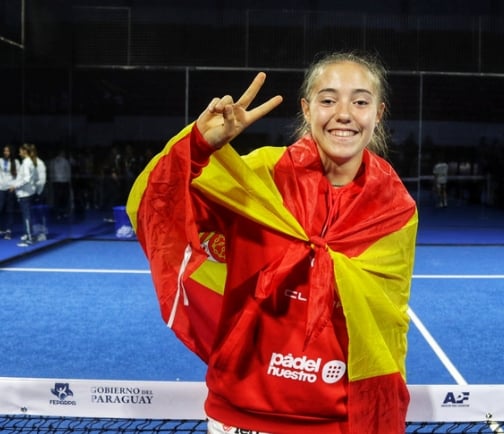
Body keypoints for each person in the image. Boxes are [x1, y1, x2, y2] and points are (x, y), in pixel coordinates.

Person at [127, 51, 418, 434]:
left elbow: (386, 327)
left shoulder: (394, 210)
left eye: (360, 101)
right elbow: (161, 209)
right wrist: (198, 147)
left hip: (338, 422)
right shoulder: (259, 180)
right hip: (240, 416)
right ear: (307, 109)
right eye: (328, 99)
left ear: (378, 113)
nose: (344, 113)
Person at [10, 143, 38, 246]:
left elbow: (26, 179)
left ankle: (29, 239)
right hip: (25, 193)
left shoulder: (26, 163)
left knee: (26, 216)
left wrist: (15, 186)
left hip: (25, 194)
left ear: (24, 151)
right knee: (26, 215)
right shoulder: (27, 162)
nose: (19, 152)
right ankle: (28, 234)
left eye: (20, 150)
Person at [0, 144, 20, 239]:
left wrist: (14, 185)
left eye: (7, 151)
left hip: (10, 188)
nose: (6, 152)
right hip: (1, 188)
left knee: (9, 210)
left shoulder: (15, 162)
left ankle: (9, 230)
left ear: (11, 152)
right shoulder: (0, 160)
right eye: (4, 151)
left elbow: (19, 176)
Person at [50, 148, 72, 220]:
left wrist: (52, 181)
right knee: (64, 199)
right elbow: (68, 172)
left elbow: (51, 172)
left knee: (57, 199)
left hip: (56, 182)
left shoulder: (53, 161)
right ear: (62, 153)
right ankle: (64, 213)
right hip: (64, 182)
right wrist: (69, 181)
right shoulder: (65, 161)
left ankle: (58, 213)